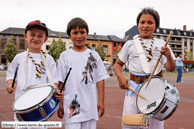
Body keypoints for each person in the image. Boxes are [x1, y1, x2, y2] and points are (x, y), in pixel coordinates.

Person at [114, 7, 176, 129]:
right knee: (131, 124)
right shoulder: (129, 44)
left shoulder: (161, 44)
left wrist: (168, 57)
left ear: (156, 25)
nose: (145, 26)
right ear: (137, 25)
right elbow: (117, 64)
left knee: (155, 126)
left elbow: (171, 68)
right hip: (134, 89)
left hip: (156, 90)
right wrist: (120, 77)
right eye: (142, 22)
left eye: (150, 22)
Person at [6, 20, 64, 129]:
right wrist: (10, 84)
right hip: (21, 107)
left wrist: (57, 92)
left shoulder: (49, 59)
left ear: (45, 40)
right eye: (32, 34)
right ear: (25, 36)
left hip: (41, 108)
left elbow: (54, 81)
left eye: (40, 36)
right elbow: (10, 75)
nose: (36, 38)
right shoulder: (19, 58)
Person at [57, 17, 109, 129]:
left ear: (87, 34)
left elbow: (100, 79)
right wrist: (60, 103)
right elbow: (61, 81)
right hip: (71, 106)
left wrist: (101, 101)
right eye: (75, 32)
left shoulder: (94, 56)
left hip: (90, 107)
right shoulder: (65, 56)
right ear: (69, 35)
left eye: (82, 32)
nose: (79, 36)